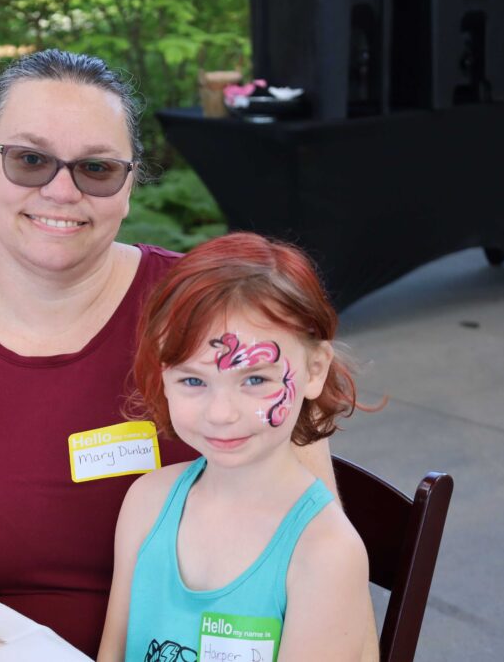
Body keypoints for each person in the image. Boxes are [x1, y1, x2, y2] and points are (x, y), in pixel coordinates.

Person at [0, 50, 337, 656]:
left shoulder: (216, 314)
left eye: (96, 167)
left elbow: (312, 542)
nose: (62, 190)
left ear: (129, 184)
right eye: (30, 160)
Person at [97, 232, 375, 661]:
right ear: (163, 374)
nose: (221, 413)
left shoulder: (324, 553)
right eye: (194, 381)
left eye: (256, 380)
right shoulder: (147, 503)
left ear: (315, 370)